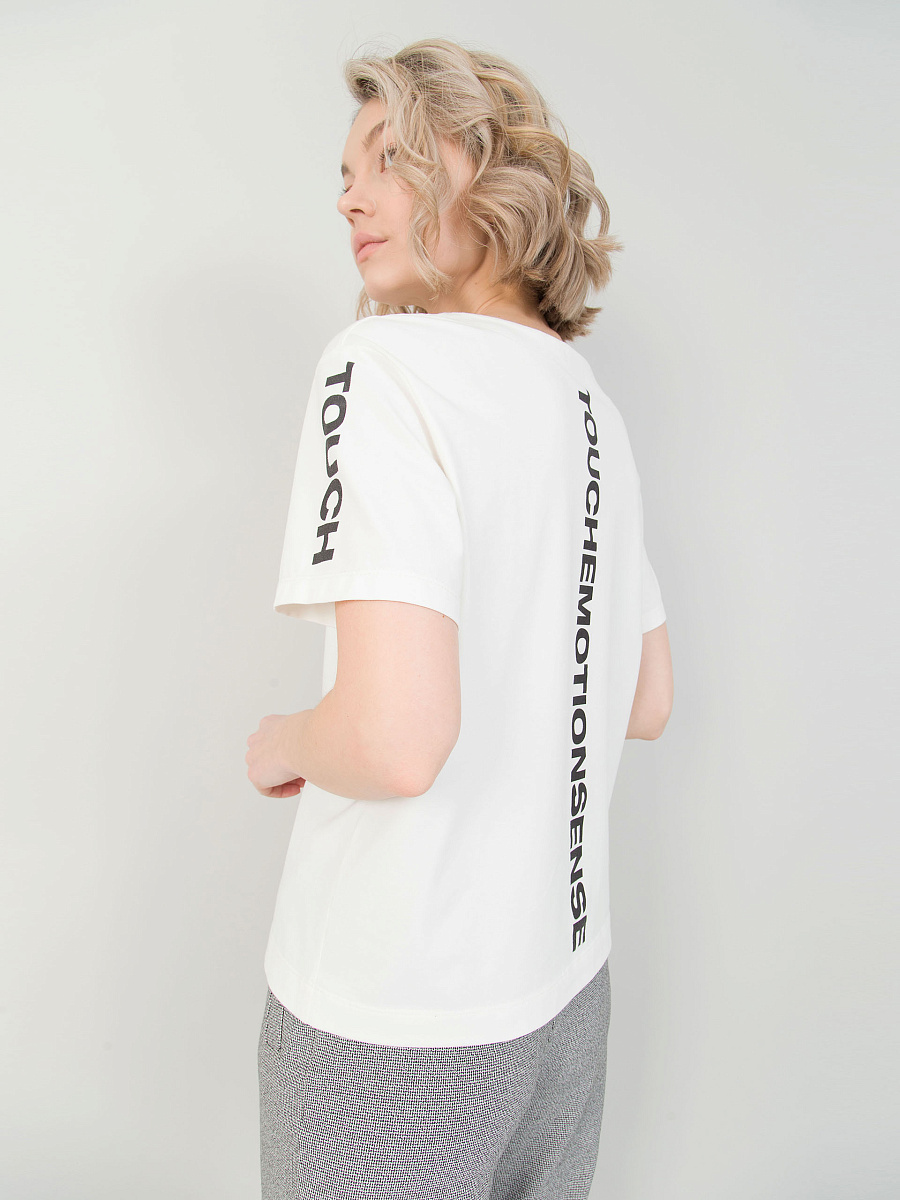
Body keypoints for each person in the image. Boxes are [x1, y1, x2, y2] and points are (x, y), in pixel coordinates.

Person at [246, 36, 674, 1200]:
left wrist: (281, 742)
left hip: (399, 1018)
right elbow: (646, 697)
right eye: (344, 174)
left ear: (490, 166)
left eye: (388, 157)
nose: (350, 196)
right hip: (564, 999)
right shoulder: (592, 407)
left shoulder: (384, 367)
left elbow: (394, 743)